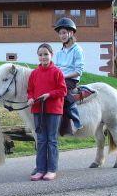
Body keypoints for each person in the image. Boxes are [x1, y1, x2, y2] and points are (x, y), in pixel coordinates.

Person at [27, 43, 67, 181]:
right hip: (38, 109)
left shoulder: (57, 72)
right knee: (41, 140)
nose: (43, 57)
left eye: (45, 54)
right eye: (40, 54)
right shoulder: (34, 73)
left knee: (52, 140)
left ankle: (51, 169)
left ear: (51, 55)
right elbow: (30, 90)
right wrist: (31, 98)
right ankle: (40, 169)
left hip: (53, 110)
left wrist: (49, 95)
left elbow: (63, 90)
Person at [53, 17, 85, 131]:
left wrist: (63, 76)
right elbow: (56, 68)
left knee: (62, 92)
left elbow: (78, 71)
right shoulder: (59, 52)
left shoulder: (77, 50)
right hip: (60, 78)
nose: (62, 36)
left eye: (64, 33)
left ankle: (76, 120)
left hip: (71, 79)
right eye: (60, 33)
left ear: (70, 33)